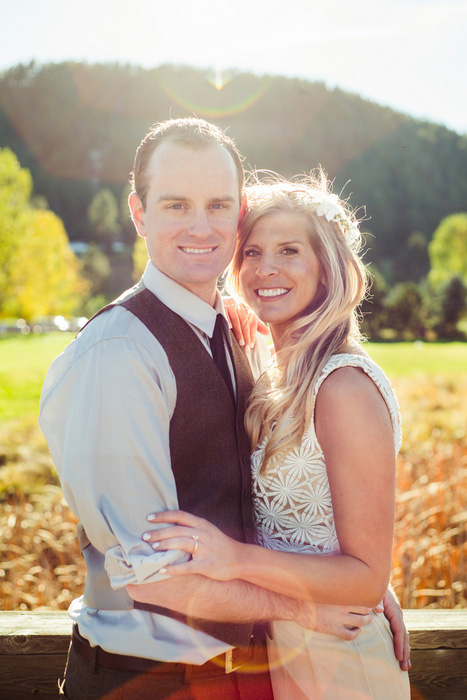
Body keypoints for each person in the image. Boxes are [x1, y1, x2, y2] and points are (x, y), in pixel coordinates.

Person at [39, 119, 408, 700]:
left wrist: (352, 577)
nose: (200, 227)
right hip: (144, 681)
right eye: (176, 205)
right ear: (138, 213)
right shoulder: (119, 355)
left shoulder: (234, 335)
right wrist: (312, 605)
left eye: (218, 206)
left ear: (236, 214)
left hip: (254, 674)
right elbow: (154, 575)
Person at [141, 173, 411, 699]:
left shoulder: (343, 388)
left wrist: (234, 559)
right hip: (286, 645)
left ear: (328, 268)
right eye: (252, 253)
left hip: (342, 660)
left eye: (290, 251)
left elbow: (365, 577)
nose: (266, 268)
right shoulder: (280, 371)